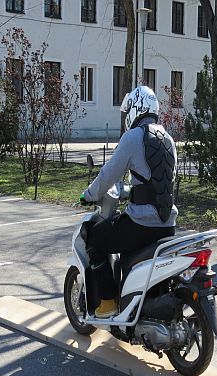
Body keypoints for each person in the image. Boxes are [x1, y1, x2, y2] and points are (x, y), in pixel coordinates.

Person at [80, 86, 178, 318]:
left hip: (141, 226)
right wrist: (130, 192)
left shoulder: (133, 137)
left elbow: (108, 175)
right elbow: (156, 182)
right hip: (168, 225)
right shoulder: (168, 139)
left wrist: (88, 195)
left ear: (136, 109)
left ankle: (107, 301)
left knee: (94, 237)